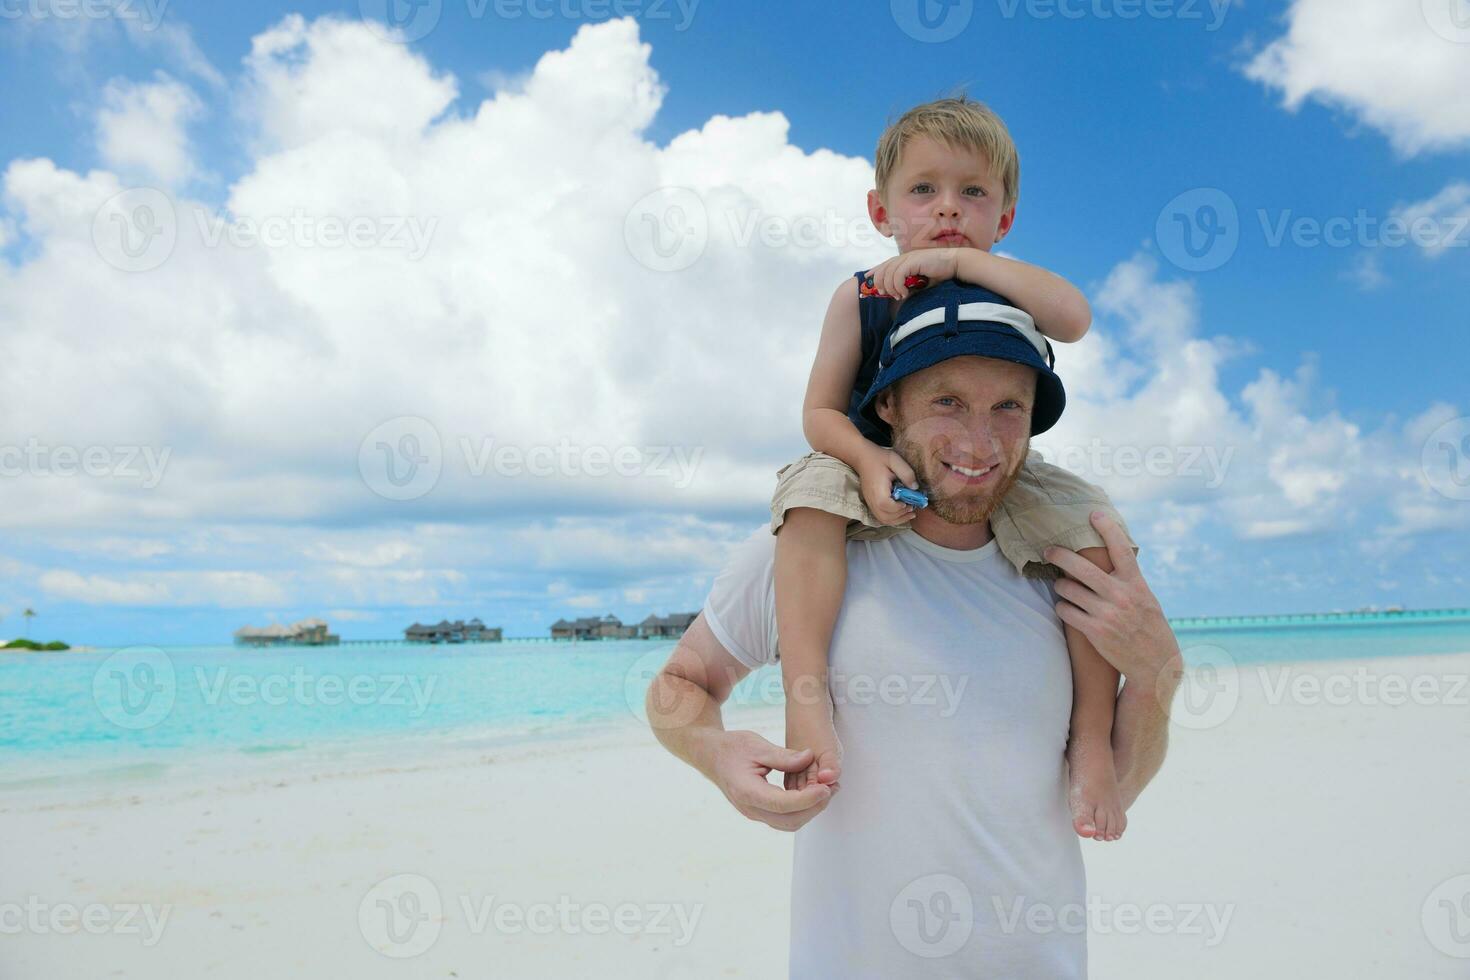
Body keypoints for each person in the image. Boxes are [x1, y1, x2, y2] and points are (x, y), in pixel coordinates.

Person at [646, 282, 1183, 976]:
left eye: (1008, 407)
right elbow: (679, 686)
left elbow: (1113, 789)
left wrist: (1158, 673)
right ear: (889, 404)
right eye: (947, 402)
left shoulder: (1070, 566)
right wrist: (713, 753)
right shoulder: (807, 551)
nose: (979, 441)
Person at [773, 95, 1135, 840]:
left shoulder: (1005, 279)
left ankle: (1091, 736)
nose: (948, 210)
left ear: (1003, 219)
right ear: (882, 211)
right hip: (880, 449)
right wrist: (869, 458)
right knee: (807, 494)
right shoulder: (863, 295)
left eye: (973, 193)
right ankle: (806, 697)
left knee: (1091, 525)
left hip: (997, 462)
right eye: (924, 190)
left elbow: (1074, 318)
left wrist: (965, 265)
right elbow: (818, 412)